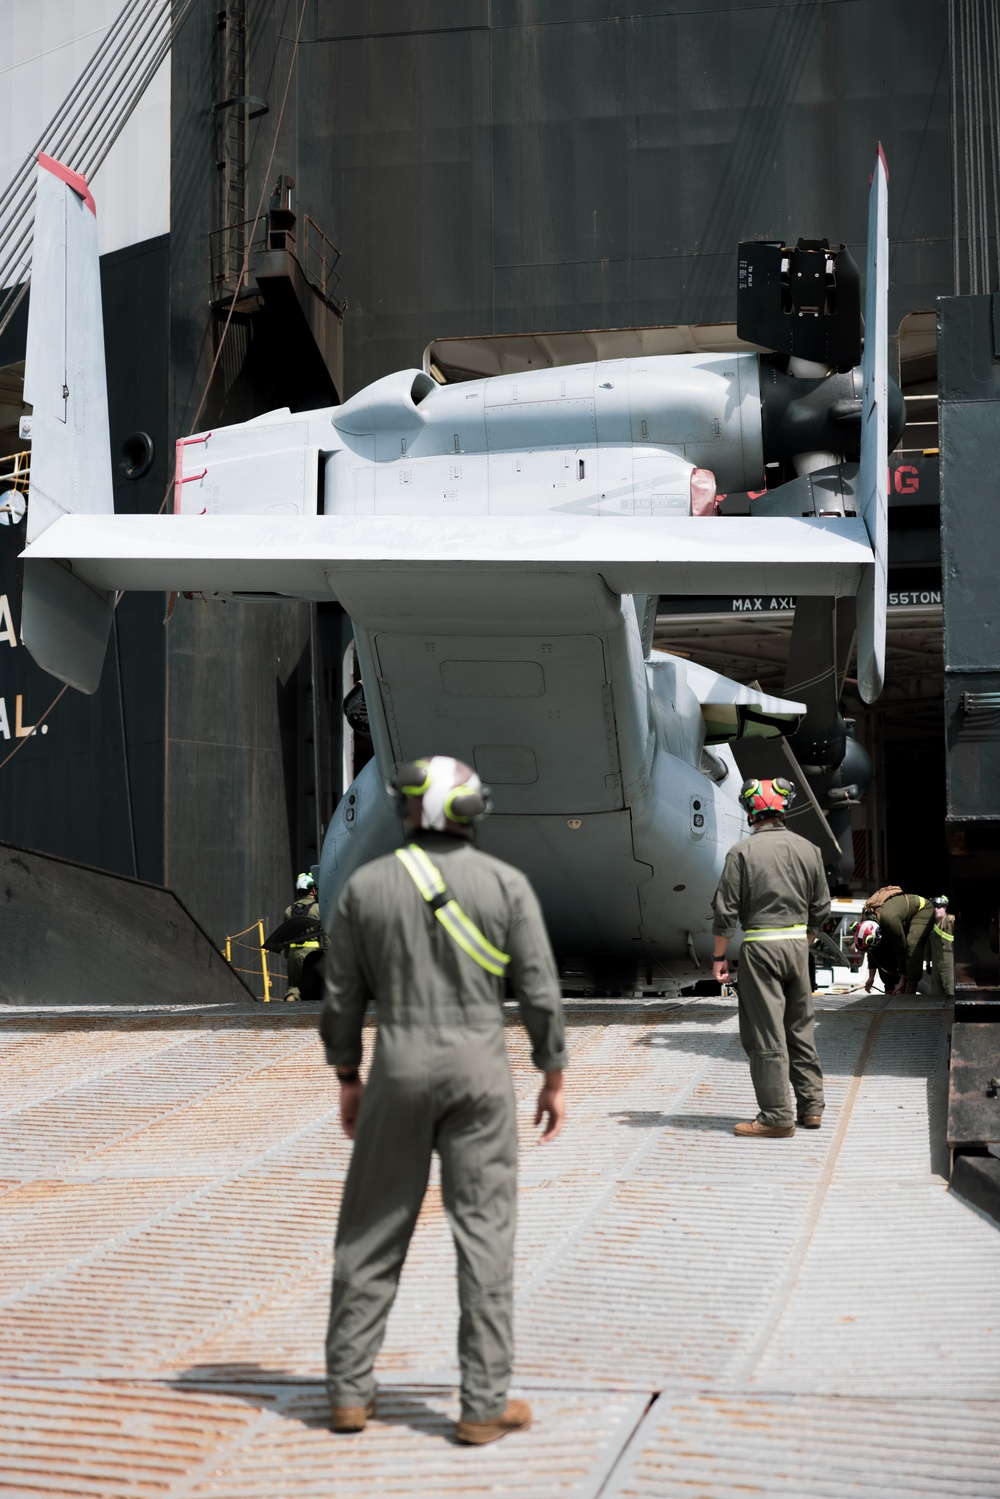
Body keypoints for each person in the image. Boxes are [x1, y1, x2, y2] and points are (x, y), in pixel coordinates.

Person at [320, 755, 567, 1444]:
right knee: (484, 1233)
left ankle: (348, 1393)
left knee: (371, 1227)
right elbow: (540, 989)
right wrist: (552, 1073)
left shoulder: (367, 886)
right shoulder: (505, 884)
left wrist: (348, 1074)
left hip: (397, 1067)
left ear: (410, 810)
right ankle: (482, 1404)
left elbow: (342, 995)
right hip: (480, 1072)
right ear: (470, 813)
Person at [712, 776, 830, 1138]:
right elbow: (821, 908)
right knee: (800, 1028)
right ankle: (811, 1108)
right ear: (784, 810)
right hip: (797, 947)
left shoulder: (741, 852)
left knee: (766, 1033)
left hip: (761, 949)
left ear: (750, 813)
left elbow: (725, 911)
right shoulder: (809, 850)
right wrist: (803, 939)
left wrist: (719, 956)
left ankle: (777, 1117)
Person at [864, 889, 934, 995]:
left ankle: (911, 985)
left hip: (922, 909)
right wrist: (871, 977)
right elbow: (872, 949)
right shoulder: (866, 921)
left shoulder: (889, 919)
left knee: (911, 944)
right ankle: (889, 986)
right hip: (899, 915)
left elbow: (901, 948)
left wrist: (902, 981)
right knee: (881, 945)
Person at [283, 872, 324, 1002]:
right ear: (312, 890)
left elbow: (285, 934)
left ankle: (289, 1006)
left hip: (294, 953)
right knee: (316, 989)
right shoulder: (318, 909)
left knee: (293, 987)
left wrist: (288, 955)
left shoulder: (289, 910)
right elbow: (325, 933)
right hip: (312, 954)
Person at [929, 894, 955, 998]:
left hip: (949, 963)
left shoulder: (951, 921)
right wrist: (927, 962)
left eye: (938, 907)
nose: (936, 909)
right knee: (936, 994)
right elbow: (928, 946)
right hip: (935, 963)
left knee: (950, 991)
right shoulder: (931, 925)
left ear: (944, 908)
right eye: (934, 907)